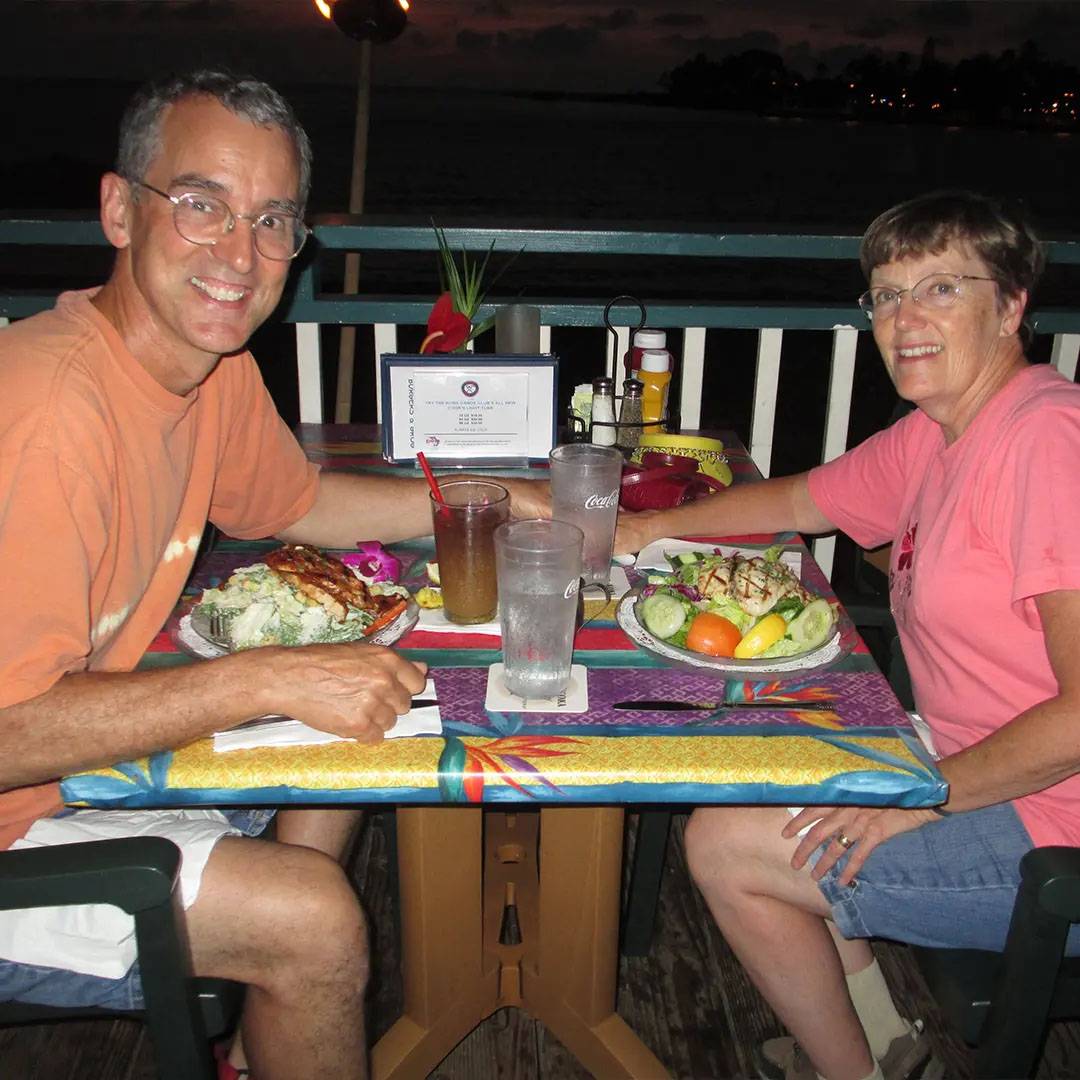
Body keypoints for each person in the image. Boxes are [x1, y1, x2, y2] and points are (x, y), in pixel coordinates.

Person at [0, 70, 545, 1080]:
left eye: (272, 221)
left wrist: (490, 495)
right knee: (314, 921)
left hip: (63, 776)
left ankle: (269, 1034)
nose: (240, 257)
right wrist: (268, 678)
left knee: (352, 736)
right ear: (120, 209)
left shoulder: (204, 369)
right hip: (16, 823)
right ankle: (285, 971)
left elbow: (296, 505)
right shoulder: (46, 420)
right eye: (201, 204)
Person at [615, 190, 1080, 1080]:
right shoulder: (942, 430)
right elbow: (798, 499)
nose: (905, 319)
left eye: (941, 289)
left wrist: (928, 793)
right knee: (762, 756)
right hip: (965, 759)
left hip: (1050, 830)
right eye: (887, 295)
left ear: (1013, 304)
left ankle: (849, 1072)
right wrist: (637, 534)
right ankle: (884, 1036)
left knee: (725, 845)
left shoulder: (1046, 442)